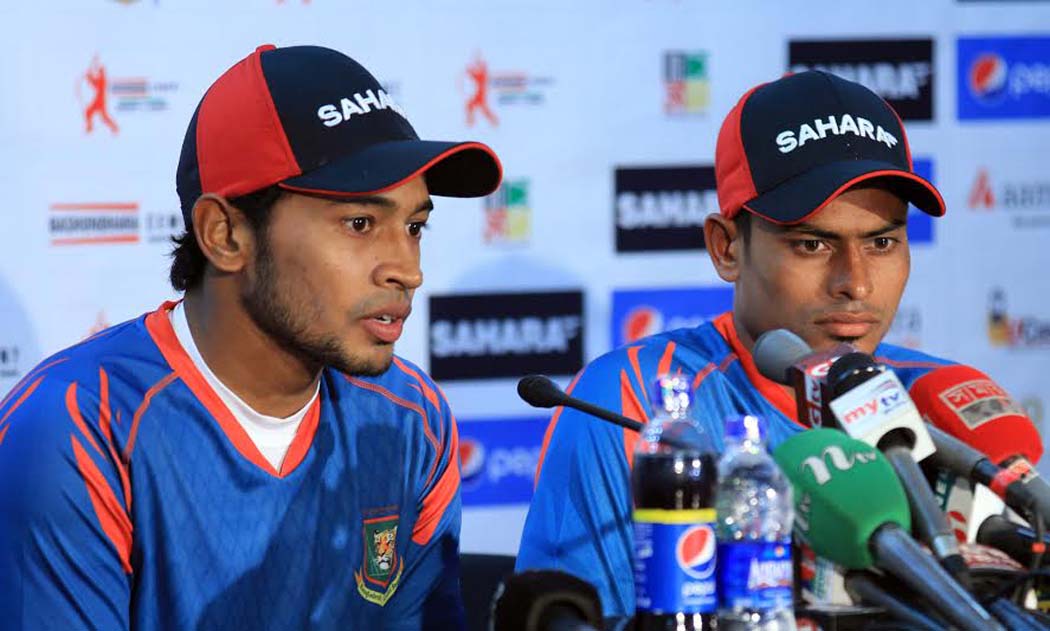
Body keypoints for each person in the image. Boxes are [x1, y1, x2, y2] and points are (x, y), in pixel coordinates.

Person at [0, 44, 501, 630]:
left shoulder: (410, 419)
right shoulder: (79, 427)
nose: (407, 270)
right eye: (360, 223)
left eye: (414, 226)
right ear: (225, 234)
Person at [516, 70, 953, 617]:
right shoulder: (633, 402)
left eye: (882, 242)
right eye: (813, 244)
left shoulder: (945, 399)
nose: (856, 284)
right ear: (726, 248)